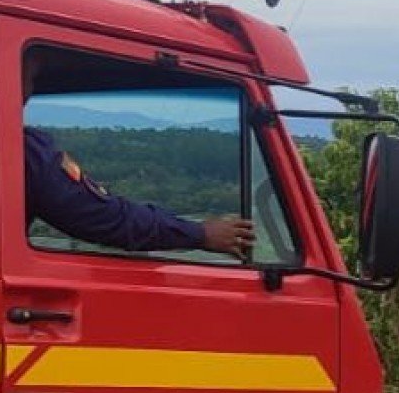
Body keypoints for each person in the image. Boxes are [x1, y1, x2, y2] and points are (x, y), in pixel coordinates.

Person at [22, 57, 252, 257]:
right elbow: (104, 217)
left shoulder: (8, 146)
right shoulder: (24, 150)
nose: (30, 90)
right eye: (31, 76)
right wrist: (200, 234)